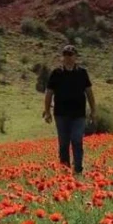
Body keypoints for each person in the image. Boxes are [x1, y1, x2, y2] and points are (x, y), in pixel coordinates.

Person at [43, 44, 96, 174]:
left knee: (77, 139)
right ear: (62, 57)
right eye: (66, 55)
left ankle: (78, 169)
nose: (68, 57)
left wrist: (93, 110)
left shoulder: (82, 73)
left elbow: (89, 92)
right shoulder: (56, 73)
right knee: (64, 142)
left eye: (70, 55)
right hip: (61, 114)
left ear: (75, 57)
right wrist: (47, 111)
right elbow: (49, 92)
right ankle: (65, 170)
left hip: (78, 114)